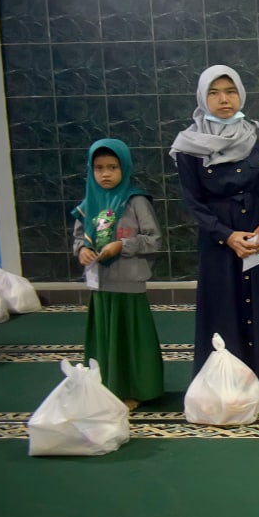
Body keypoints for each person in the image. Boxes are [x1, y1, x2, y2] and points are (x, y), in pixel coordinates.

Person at [171, 66, 259, 404]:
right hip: (219, 239)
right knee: (224, 308)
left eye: (230, 91)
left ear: (241, 93)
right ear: (203, 98)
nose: (224, 99)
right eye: (214, 93)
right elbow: (193, 202)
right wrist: (226, 235)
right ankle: (226, 384)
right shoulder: (188, 145)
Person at [72, 138, 164, 410]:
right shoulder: (88, 203)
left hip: (129, 282)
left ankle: (136, 388)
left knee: (130, 338)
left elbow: (154, 239)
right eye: (99, 168)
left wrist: (122, 245)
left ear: (125, 168)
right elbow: (79, 237)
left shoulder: (135, 201)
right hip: (101, 285)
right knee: (105, 339)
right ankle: (107, 387)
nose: (106, 174)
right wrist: (82, 250)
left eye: (113, 167)